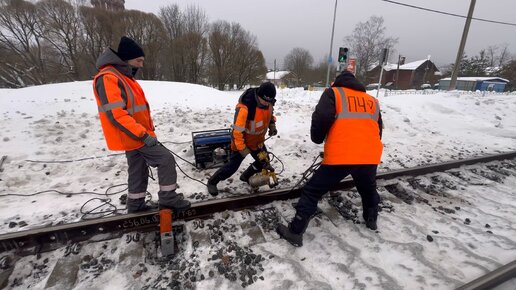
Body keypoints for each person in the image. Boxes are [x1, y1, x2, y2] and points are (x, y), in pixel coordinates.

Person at [276, 70, 383, 247]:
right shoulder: (372, 101)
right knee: (368, 188)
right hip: (369, 154)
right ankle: (371, 219)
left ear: (338, 82)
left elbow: (322, 117)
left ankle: (295, 232)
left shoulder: (334, 93)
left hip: (343, 155)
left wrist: (317, 137)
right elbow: (378, 128)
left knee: (312, 191)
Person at [92, 36, 191, 213]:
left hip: (135, 135)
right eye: (139, 60)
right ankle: (168, 199)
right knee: (165, 159)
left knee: (138, 170)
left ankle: (136, 205)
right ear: (126, 59)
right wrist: (143, 135)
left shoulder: (123, 77)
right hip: (133, 136)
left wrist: (147, 133)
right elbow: (116, 114)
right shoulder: (108, 78)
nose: (141, 65)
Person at [207, 82, 278, 196]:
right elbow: (237, 132)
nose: (266, 103)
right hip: (242, 142)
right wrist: (242, 149)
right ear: (259, 95)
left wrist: (272, 126)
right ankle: (212, 182)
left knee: (263, 162)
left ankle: (246, 176)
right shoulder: (246, 107)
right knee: (232, 167)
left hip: (257, 142)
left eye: (268, 101)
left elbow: (269, 115)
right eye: (264, 100)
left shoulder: (269, 103)